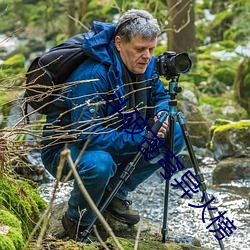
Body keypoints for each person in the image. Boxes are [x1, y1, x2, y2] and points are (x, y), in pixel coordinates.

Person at [41, 9, 186, 241]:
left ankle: (115, 193)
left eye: (152, 49)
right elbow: (87, 135)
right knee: (100, 164)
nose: (147, 56)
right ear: (119, 43)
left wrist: (162, 114)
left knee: (175, 133)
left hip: (116, 134)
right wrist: (143, 137)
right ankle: (76, 221)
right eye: (140, 49)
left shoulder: (145, 64)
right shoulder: (92, 75)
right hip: (67, 149)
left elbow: (159, 95)